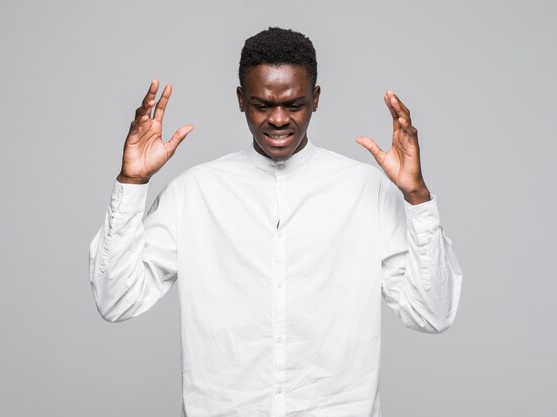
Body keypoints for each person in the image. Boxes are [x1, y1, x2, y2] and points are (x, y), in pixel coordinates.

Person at [89, 27, 462, 417]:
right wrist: (132, 183)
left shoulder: (366, 191)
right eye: (262, 105)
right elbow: (116, 300)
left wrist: (417, 197)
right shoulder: (194, 193)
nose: (279, 120)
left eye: (294, 104)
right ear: (240, 100)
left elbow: (432, 313)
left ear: (316, 99)